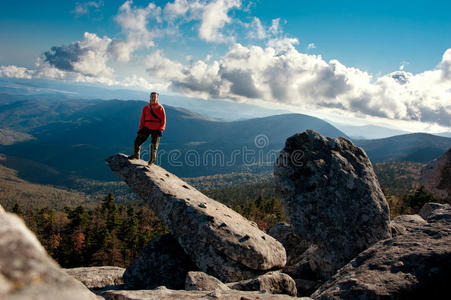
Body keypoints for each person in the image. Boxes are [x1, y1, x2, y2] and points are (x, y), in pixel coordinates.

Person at [128, 91, 166, 165]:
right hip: (146, 127)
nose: (153, 98)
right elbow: (142, 118)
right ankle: (136, 155)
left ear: (157, 98)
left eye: (155, 97)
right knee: (137, 141)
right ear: (150, 97)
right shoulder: (146, 107)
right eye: (152, 96)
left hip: (156, 129)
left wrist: (161, 129)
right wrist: (140, 128)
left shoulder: (160, 108)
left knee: (154, 146)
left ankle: (151, 161)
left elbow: (163, 120)